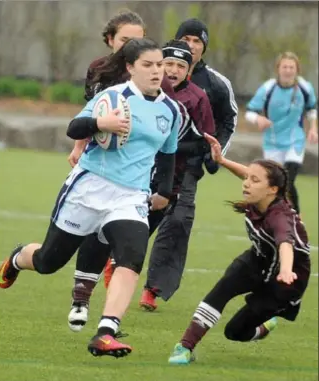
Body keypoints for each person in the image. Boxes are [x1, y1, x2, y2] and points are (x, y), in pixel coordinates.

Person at [0, 38, 181, 359]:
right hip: (89, 187)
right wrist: (101, 123)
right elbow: (74, 127)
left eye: (160, 65)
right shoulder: (112, 97)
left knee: (132, 257)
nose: (157, 71)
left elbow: (168, 155)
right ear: (130, 68)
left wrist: (164, 191)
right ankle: (18, 258)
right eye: (148, 65)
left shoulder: (170, 109)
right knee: (49, 262)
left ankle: (106, 332)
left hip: (131, 196)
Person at [68, 39, 216, 331]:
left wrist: (172, 183)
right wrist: (91, 134)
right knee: (80, 246)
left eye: (173, 65)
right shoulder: (114, 89)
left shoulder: (187, 100)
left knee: (135, 251)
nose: (166, 70)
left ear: (190, 69)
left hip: (152, 185)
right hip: (105, 179)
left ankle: (109, 324)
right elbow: (81, 123)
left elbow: (195, 140)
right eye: (162, 63)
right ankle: (82, 297)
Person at [66, 10, 177, 334]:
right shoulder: (100, 70)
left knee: (125, 246)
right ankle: (81, 298)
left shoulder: (156, 80)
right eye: (127, 39)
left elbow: (165, 123)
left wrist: (163, 186)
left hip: (134, 180)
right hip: (96, 170)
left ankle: (109, 321)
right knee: (66, 250)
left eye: (139, 38)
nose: (134, 44)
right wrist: (78, 147)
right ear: (111, 41)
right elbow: (89, 115)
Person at [168, 133, 311, 364]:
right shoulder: (262, 196)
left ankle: (264, 326)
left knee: (234, 333)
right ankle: (184, 347)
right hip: (257, 261)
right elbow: (247, 174)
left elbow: (286, 243)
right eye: (248, 178)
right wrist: (222, 161)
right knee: (221, 290)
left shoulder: (280, 216)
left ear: (272, 189)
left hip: (285, 282)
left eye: (255, 181)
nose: (246, 183)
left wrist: (285, 270)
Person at [139, 18, 238, 310]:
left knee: (178, 221)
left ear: (203, 47)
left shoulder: (217, 84)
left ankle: (153, 289)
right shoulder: (154, 75)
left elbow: (228, 120)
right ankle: (114, 259)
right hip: (146, 165)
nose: (192, 46)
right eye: (187, 39)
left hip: (188, 166)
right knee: (136, 215)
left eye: (197, 41)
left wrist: (212, 154)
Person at [245, 51, 318, 215]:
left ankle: (295, 218)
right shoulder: (268, 88)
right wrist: (258, 119)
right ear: (278, 69)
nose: (288, 70)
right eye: (285, 67)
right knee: (273, 185)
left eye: (291, 67)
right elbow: (249, 112)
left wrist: (313, 128)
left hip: (295, 141)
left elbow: (312, 108)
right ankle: (269, 217)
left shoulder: (305, 88)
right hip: (273, 143)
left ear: (297, 69)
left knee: (289, 181)